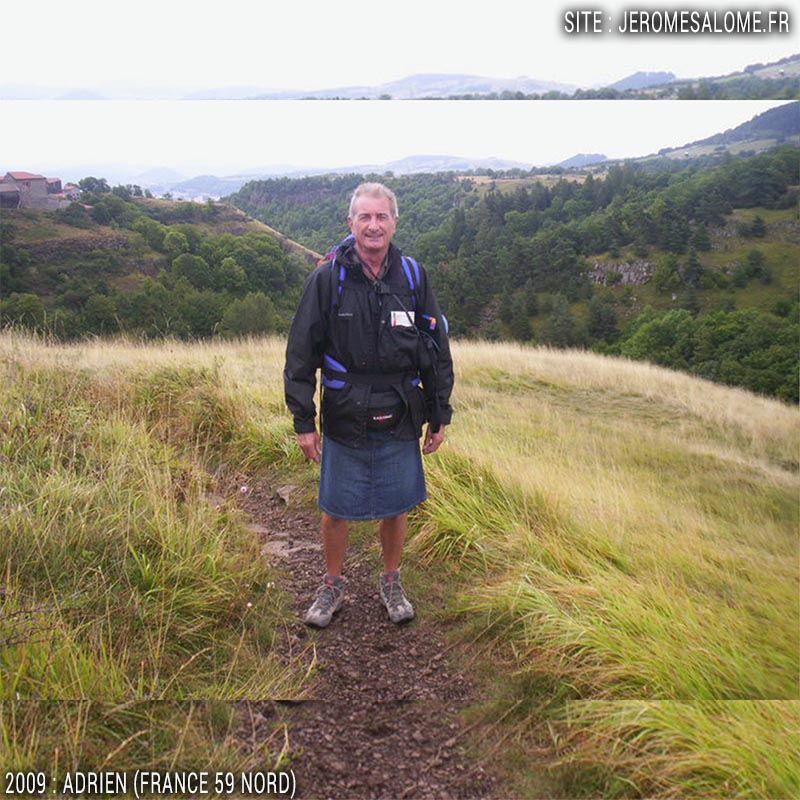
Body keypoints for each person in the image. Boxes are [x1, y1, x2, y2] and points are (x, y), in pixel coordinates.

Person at [284, 182, 454, 628]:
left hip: (401, 410)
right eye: (365, 217)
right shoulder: (327, 278)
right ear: (351, 223)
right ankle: (333, 584)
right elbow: (301, 354)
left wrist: (439, 413)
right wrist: (304, 421)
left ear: (394, 222)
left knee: (396, 505)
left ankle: (391, 580)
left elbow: (436, 348)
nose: (374, 226)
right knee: (336, 507)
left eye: (382, 217)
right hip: (343, 411)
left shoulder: (413, 277)